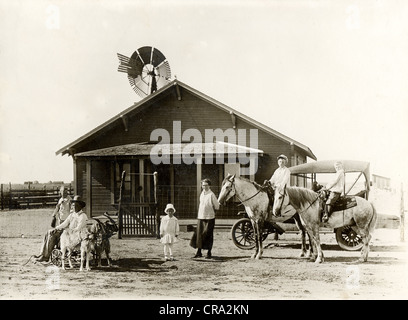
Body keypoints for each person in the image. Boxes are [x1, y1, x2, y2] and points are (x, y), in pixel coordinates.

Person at [35, 195, 88, 262]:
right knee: (49, 232)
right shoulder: (72, 214)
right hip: (69, 233)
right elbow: (65, 223)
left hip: (76, 236)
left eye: (75, 205)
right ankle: (42, 253)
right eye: (73, 205)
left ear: (80, 206)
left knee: (52, 235)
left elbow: (78, 229)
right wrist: (56, 228)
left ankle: (46, 256)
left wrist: (67, 230)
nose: (73, 207)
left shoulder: (82, 216)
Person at [190, 178, 220, 259]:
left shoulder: (212, 195)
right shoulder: (202, 194)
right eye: (203, 185)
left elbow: (217, 206)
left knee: (208, 234)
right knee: (199, 234)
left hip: (210, 218)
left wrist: (211, 212)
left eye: (206, 185)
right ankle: (199, 252)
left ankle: (209, 252)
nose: (205, 187)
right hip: (201, 217)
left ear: (209, 185)